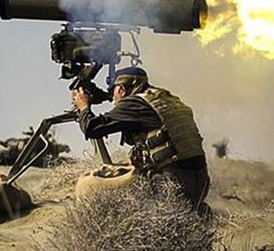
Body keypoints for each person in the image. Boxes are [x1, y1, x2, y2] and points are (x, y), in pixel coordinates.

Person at [72, 66, 210, 212]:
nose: (113, 99)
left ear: (121, 90)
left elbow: (92, 128)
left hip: (171, 187)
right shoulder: (166, 100)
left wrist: (83, 107)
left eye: (113, 93)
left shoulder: (134, 104)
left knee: (86, 185)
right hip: (200, 185)